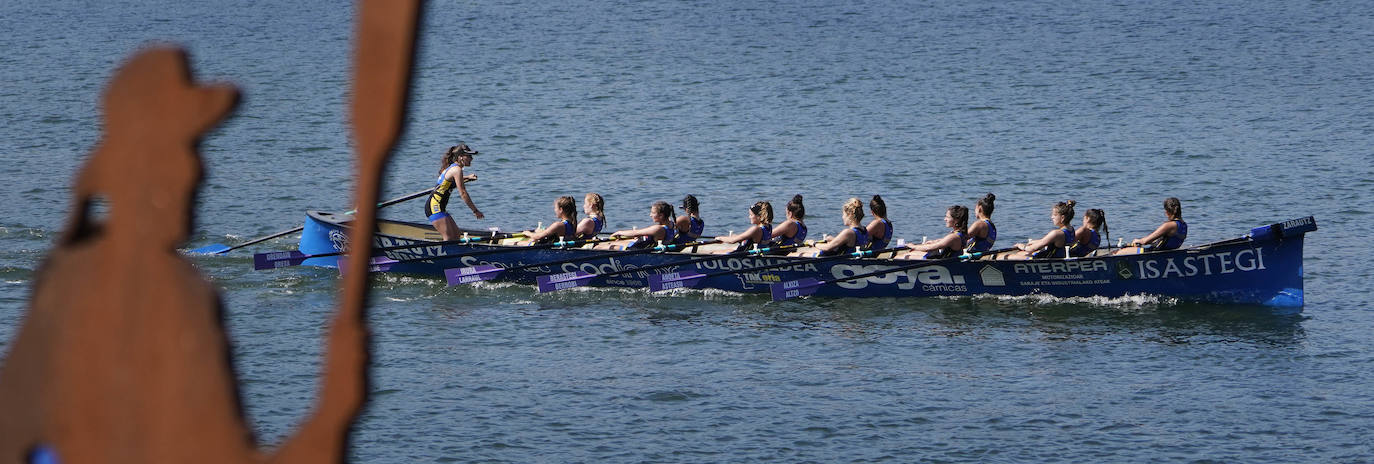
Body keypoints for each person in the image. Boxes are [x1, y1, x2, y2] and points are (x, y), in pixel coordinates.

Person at [425, 143, 483, 240]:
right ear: (460, 157)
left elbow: (452, 180)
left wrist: (467, 177)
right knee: (449, 238)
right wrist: (475, 210)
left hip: (438, 206)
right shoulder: (457, 170)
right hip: (434, 207)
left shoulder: (453, 167)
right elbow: (463, 193)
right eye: (468, 156)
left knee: (456, 235)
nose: (471, 158)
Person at [1116, 197, 1187, 254]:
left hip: (1153, 253)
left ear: (1166, 212)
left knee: (1118, 252)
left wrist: (1138, 240)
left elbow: (1145, 241)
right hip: (1167, 253)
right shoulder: (1184, 225)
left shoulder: (1168, 225)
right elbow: (1166, 240)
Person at [1009, 200, 1077, 259]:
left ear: (1062, 218)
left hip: (1047, 259)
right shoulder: (1071, 229)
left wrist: (1021, 246)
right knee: (1021, 254)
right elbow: (1045, 241)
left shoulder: (1056, 233)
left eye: (1054, 215)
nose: (1051, 217)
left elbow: (1031, 249)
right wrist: (1033, 242)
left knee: (1006, 256)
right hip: (1058, 257)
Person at [609, 201, 677, 250]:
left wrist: (619, 232)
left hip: (639, 250)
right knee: (617, 241)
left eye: (653, 213)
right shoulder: (671, 223)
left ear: (661, 215)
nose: (650, 215)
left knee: (605, 246)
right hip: (644, 245)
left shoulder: (658, 229)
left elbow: (635, 233)